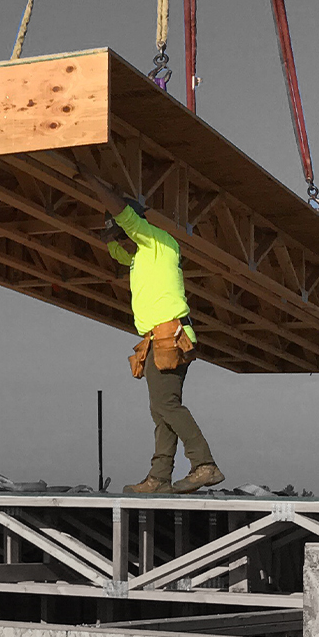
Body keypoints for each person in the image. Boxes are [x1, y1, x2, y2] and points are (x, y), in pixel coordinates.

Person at [84, 172, 223, 495]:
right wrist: (109, 236)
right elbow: (118, 253)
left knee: (167, 407)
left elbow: (124, 217)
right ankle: (159, 476)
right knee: (161, 409)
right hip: (157, 340)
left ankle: (204, 465)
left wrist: (96, 183)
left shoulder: (158, 241)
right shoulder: (141, 255)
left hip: (169, 336)